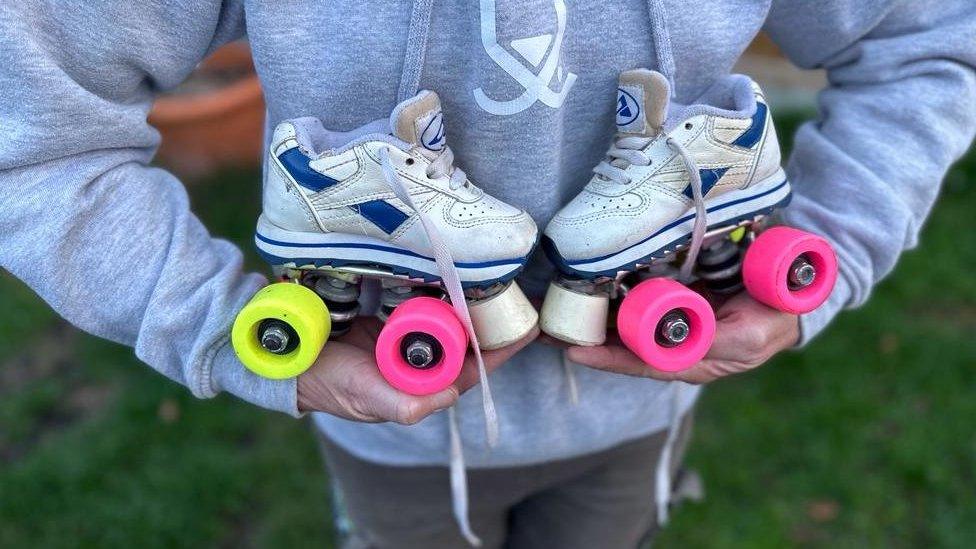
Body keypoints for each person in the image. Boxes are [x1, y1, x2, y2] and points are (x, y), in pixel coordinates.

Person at [1, 2, 973, 548]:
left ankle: (700, 175)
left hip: (636, 428)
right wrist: (217, 322)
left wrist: (831, 248)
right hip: (390, 456)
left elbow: (929, 39)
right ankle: (351, 209)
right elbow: (33, 135)